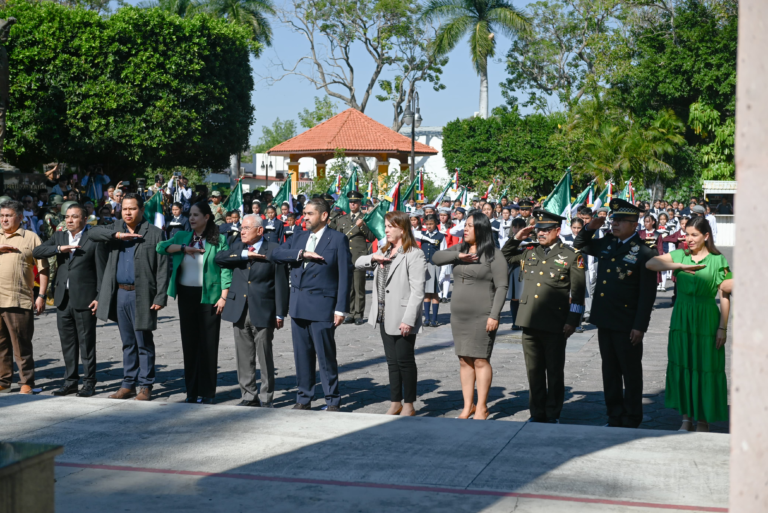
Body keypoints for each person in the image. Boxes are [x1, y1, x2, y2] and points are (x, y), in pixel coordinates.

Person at [574, 199, 658, 428]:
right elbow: (580, 244)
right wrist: (590, 227)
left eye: (621, 221)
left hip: (627, 322)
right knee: (609, 371)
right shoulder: (608, 243)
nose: (615, 224)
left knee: (630, 373)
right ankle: (614, 415)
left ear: (634, 224)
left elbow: (647, 295)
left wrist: (640, 326)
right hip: (605, 320)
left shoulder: (644, 252)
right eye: (614, 220)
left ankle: (632, 417)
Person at [646, 216, 732, 432]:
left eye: (694, 235)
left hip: (707, 319)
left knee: (706, 367)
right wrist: (679, 266)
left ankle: (703, 420)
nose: (689, 239)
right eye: (687, 234)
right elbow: (651, 263)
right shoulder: (679, 254)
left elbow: (724, 294)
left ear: (706, 236)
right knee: (684, 364)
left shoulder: (717, 260)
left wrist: (723, 327)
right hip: (682, 318)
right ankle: (686, 419)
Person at [502, 209, 585, 423]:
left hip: (555, 323)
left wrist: (572, 321)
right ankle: (537, 412)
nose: (540, 234)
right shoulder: (530, 251)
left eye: (546, 230)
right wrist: (516, 238)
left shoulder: (570, 255)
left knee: (554, 372)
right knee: (534, 371)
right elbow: (505, 257)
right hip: (529, 320)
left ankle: (552, 413)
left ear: (557, 231)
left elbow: (577, 294)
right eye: (538, 230)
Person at [270, 198, 352, 411]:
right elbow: (276, 254)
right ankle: (304, 398)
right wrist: (301, 254)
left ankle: (332, 399)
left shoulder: (337, 239)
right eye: (304, 213)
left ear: (324, 216)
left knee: (325, 356)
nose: (304, 217)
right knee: (301, 355)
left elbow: (345, 275)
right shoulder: (298, 236)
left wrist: (341, 307)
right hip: (298, 306)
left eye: (309, 213)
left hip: (323, 306)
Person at [89, 193, 169, 401]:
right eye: (124, 209)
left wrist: (160, 296)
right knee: (127, 342)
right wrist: (117, 236)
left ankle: (146, 385)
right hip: (120, 294)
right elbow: (92, 233)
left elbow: (162, 268)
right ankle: (128, 384)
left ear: (141, 210)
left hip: (142, 294)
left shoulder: (154, 234)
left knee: (143, 341)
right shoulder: (115, 228)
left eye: (132, 209)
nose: (127, 212)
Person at [432, 212, 508, 420]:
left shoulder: (494, 254)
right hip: (459, 316)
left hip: (483, 315)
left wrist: (495, 315)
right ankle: (468, 406)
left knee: (481, 360)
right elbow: (436, 258)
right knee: (464, 360)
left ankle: (482, 407)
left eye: (470, 226)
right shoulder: (459, 249)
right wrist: (458, 256)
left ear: (481, 229)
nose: (465, 229)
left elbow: (502, 286)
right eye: (465, 225)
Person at [157, 202, 231, 404]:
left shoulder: (219, 240)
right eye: (190, 215)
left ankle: (207, 392)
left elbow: (226, 269)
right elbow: (160, 247)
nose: (191, 218)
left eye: (196, 215)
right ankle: (191, 391)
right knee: (189, 345)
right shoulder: (183, 236)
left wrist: (224, 295)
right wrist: (183, 248)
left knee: (208, 345)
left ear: (207, 217)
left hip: (210, 296)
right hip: (186, 296)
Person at [356, 211, 426, 416]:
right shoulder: (384, 251)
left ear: (401, 229)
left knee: (405, 361)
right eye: (385, 226)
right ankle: (395, 402)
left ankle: (409, 404)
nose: (385, 230)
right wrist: (373, 257)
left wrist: (409, 319)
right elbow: (358, 263)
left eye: (389, 226)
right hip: (383, 314)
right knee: (392, 362)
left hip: (402, 316)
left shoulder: (414, 253)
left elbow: (418, 290)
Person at [33, 203, 107, 397]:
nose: (69, 220)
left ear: (84, 219)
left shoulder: (93, 238)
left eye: (74, 217)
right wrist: (59, 249)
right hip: (63, 299)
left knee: (86, 343)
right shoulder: (59, 236)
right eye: (67, 217)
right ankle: (70, 381)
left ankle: (89, 382)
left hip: (85, 299)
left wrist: (99, 297)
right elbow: (37, 251)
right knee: (68, 343)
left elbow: (102, 271)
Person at [215, 214, 288, 407]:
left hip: (263, 310)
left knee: (264, 356)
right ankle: (248, 396)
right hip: (239, 309)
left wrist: (280, 312)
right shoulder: (238, 247)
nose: (242, 231)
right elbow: (219, 258)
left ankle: (266, 398)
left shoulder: (273, 249)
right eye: (241, 228)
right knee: (243, 356)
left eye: (246, 228)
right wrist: (245, 255)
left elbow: (281, 283)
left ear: (260, 230)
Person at [0, 200, 49, 394]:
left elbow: (44, 268)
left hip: (18, 300)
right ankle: (3, 381)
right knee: (1, 345)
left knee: (21, 345)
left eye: (8, 215)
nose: (4, 219)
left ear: (20, 217)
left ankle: (26, 382)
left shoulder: (31, 237)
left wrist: (42, 295)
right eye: (2, 216)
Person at [331, 191, 372, 325]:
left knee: (359, 287)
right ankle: (349, 313)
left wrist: (363, 227)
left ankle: (358, 314)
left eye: (355, 202)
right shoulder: (342, 219)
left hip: (359, 257)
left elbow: (371, 237)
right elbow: (338, 238)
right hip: (345, 257)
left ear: (360, 203)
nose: (352, 204)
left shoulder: (366, 219)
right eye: (350, 202)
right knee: (347, 287)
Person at [420, 214, 446, 327]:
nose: (429, 226)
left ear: (436, 224)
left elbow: (443, 252)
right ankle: (427, 318)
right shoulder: (422, 234)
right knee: (426, 292)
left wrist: (443, 271)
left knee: (435, 293)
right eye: (427, 224)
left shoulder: (440, 236)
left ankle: (434, 318)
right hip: (424, 266)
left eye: (431, 224)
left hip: (435, 266)